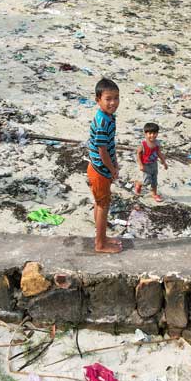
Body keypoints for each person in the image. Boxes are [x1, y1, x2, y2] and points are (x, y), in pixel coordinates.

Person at [87, 77, 122, 253]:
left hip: (101, 168)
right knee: (103, 206)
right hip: (100, 170)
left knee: (100, 203)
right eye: (108, 99)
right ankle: (100, 244)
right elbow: (102, 151)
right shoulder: (102, 122)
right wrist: (112, 169)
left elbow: (109, 145)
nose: (113, 102)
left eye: (116, 98)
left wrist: (115, 163)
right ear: (98, 100)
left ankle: (101, 237)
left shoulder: (108, 118)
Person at [134, 122, 168, 202]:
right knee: (147, 182)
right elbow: (138, 154)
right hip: (146, 165)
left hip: (154, 164)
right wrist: (141, 165)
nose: (152, 135)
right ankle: (138, 184)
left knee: (154, 180)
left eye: (154, 133)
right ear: (145, 134)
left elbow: (159, 153)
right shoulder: (143, 144)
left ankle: (154, 194)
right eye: (150, 133)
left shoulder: (157, 143)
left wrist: (164, 162)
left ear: (157, 133)